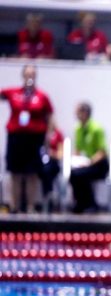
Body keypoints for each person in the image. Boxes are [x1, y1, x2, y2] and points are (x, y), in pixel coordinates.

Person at [0, 64, 54, 213]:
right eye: (27, 74)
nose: (29, 77)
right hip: (16, 138)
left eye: (32, 74)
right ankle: (15, 206)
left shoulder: (42, 96)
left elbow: (49, 117)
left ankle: (30, 206)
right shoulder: (13, 92)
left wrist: (48, 138)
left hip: (34, 138)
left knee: (32, 173)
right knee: (15, 172)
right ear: (23, 76)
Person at [69, 101, 109, 213]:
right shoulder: (78, 129)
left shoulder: (96, 128)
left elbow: (102, 152)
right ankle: (80, 203)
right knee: (73, 174)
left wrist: (89, 163)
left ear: (85, 113)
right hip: (87, 162)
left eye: (78, 112)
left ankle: (92, 204)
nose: (76, 115)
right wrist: (74, 161)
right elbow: (77, 149)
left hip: (99, 164)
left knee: (82, 175)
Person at [39, 121, 64, 211]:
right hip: (41, 163)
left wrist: (51, 153)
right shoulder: (41, 133)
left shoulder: (58, 134)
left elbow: (60, 154)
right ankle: (47, 197)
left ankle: (49, 197)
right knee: (43, 170)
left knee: (47, 171)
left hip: (54, 163)